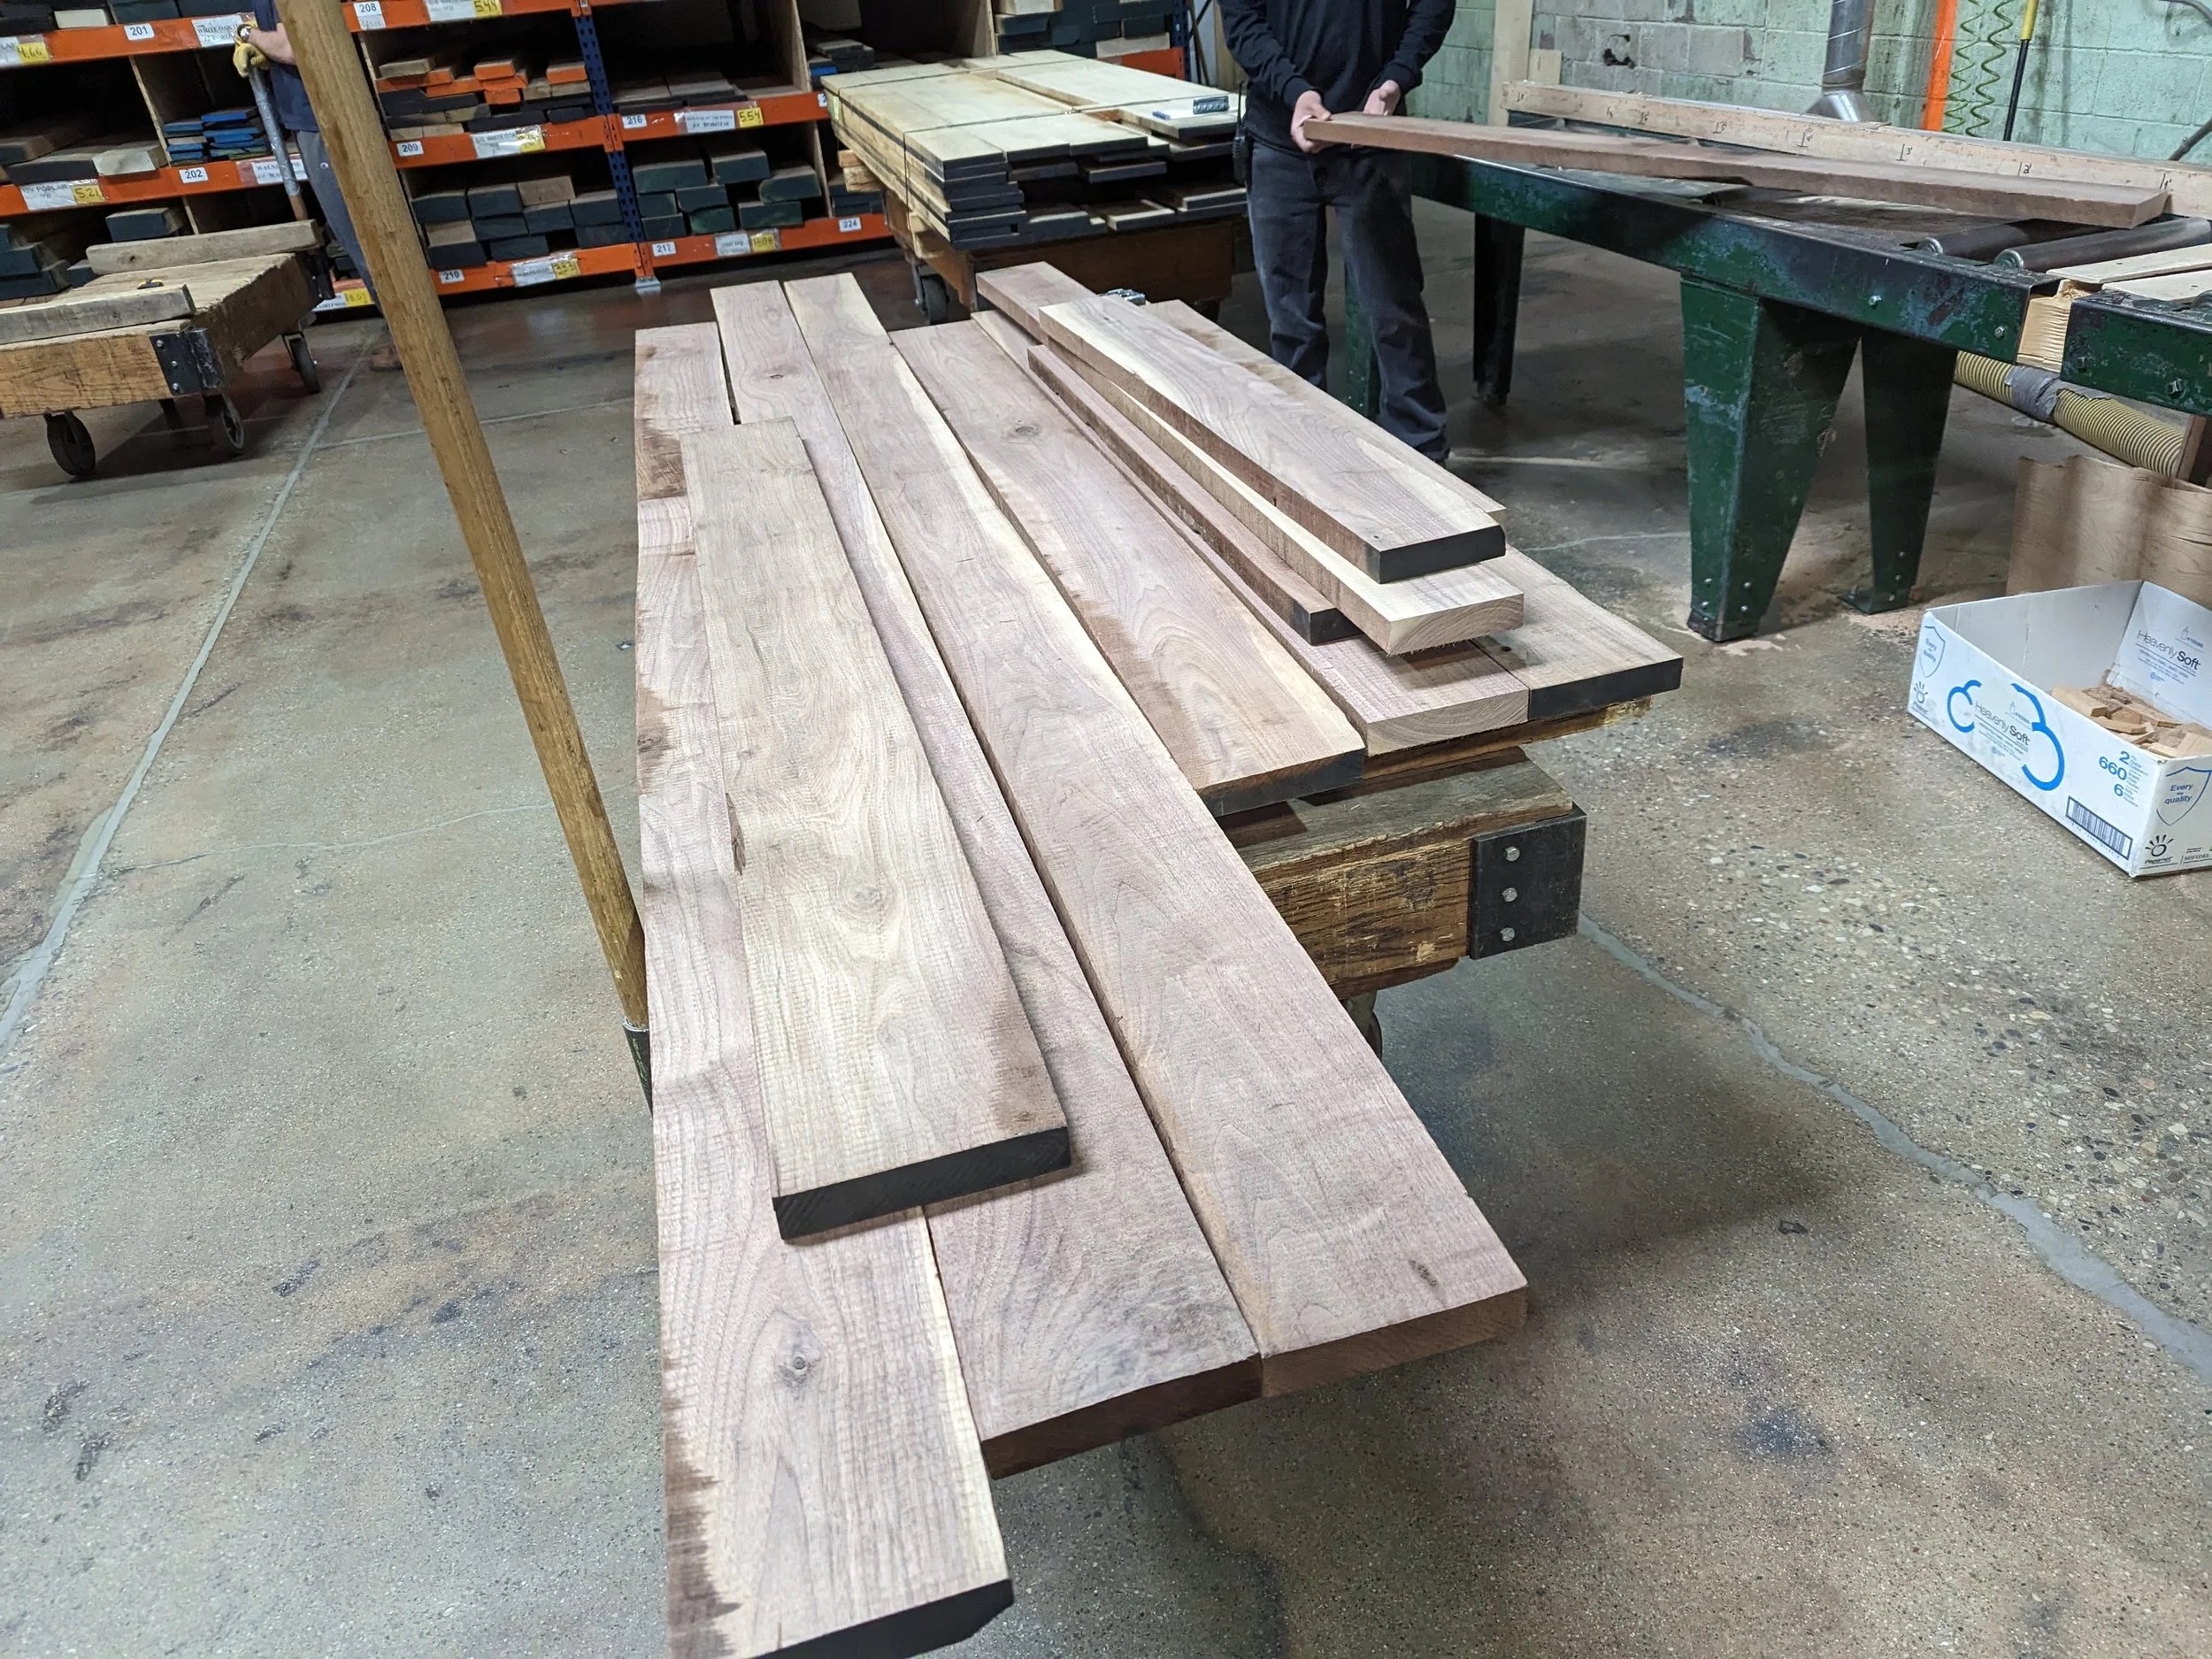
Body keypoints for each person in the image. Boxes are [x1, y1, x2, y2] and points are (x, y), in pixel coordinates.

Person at [1220, 0, 1455, 460]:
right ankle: (1308, 460)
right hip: (1279, 140)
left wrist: (1395, 78)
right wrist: (1294, 92)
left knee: (1394, 310)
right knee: (1292, 324)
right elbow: (1242, 19)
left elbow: (1434, 4)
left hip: (1371, 139)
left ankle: (1424, 457)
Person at [235, 6, 400, 370]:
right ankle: (407, 330)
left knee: (361, 234)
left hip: (323, 116)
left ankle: (408, 338)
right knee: (360, 232)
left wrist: (250, 35)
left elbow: (292, 47)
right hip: (314, 114)